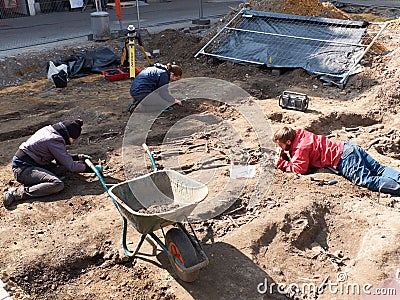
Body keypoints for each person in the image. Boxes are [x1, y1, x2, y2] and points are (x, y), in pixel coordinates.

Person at [273, 126, 400, 196]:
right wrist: (285, 154)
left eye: (281, 145)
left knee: (366, 180)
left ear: (288, 141)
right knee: (379, 169)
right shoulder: (300, 133)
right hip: (348, 147)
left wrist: (281, 163)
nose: (280, 148)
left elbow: (300, 169)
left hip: (344, 159)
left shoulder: (300, 149)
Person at [3, 119, 99, 208]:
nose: (72, 141)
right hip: (23, 169)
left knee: (62, 167)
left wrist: (79, 157)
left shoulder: (50, 130)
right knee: (57, 184)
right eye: (73, 139)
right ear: (68, 135)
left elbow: (61, 156)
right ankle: (16, 193)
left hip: (35, 163)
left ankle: (43, 179)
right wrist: (91, 169)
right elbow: (71, 166)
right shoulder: (54, 140)